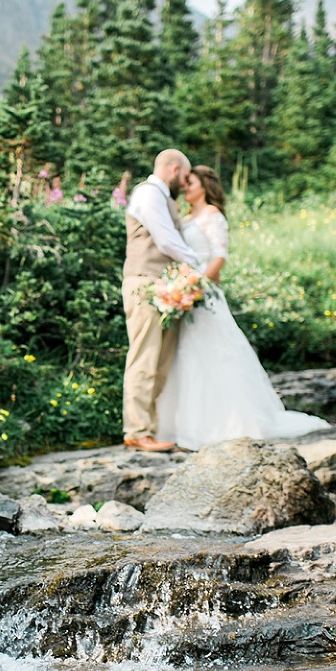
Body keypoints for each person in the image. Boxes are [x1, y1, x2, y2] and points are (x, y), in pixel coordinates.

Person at [157, 165, 328, 450]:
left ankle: (231, 423)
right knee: (187, 357)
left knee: (217, 355)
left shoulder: (213, 215)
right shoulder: (185, 217)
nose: (185, 187)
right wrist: (179, 286)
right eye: (185, 183)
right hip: (184, 294)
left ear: (204, 186)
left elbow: (219, 255)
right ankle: (187, 425)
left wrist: (197, 284)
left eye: (191, 183)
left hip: (204, 292)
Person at [122, 149, 201, 452]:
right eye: (184, 175)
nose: (185, 182)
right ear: (173, 168)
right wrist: (198, 267)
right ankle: (137, 430)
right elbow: (166, 239)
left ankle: (150, 429)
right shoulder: (149, 193)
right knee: (145, 357)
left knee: (161, 361)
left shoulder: (163, 197)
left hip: (164, 287)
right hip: (144, 283)